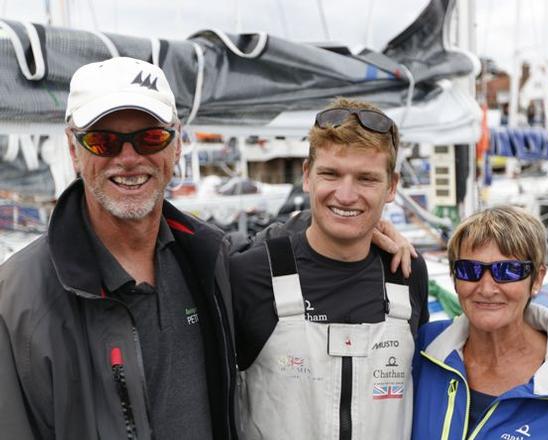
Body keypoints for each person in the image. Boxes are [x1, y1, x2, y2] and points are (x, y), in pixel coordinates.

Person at [0, 57, 415, 440]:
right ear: (74, 149)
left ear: (176, 144)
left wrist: (357, 226)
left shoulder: (207, 261)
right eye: (104, 142)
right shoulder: (19, 299)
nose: (128, 158)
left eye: (150, 137)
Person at [231, 98, 429, 439]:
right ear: (307, 176)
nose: (346, 194)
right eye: (331, 174)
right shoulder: (249, 275)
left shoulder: (407, 272)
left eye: (366, 179)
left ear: (392, 186)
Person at [411, 206, 548, 439]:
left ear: (537, 279)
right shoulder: (424, 351)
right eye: (469, 269)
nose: (486, 288)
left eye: (508, 271)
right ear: (454, 278)